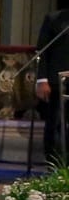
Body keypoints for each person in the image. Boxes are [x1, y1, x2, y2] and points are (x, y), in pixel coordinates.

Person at [34, 9, 69, 164]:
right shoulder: (54, 19)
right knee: (55, 124)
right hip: (58, 82)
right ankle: (54, 166)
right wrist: (41, 80)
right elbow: (42, 51)